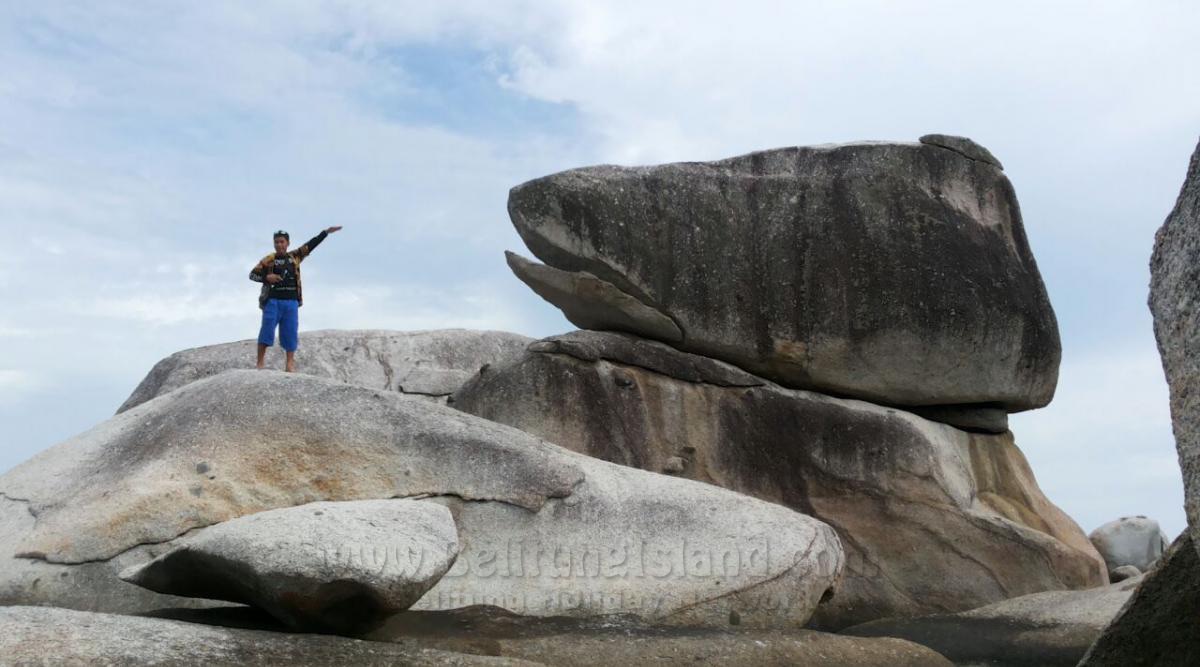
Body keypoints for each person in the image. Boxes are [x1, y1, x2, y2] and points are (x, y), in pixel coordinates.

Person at [249, 226, 342, 372]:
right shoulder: (268, 259)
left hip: (291, 302)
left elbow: (310, 245)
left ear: (288, 243)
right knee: (266, 331)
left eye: (282, 242)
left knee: (290, 332)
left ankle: (290, 364)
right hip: (272, 301)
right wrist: (267, 277)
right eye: (276, 242)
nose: (279, 245)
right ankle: (260, 363)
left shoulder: (295, 256)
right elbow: (252, 275)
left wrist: (325, 233)